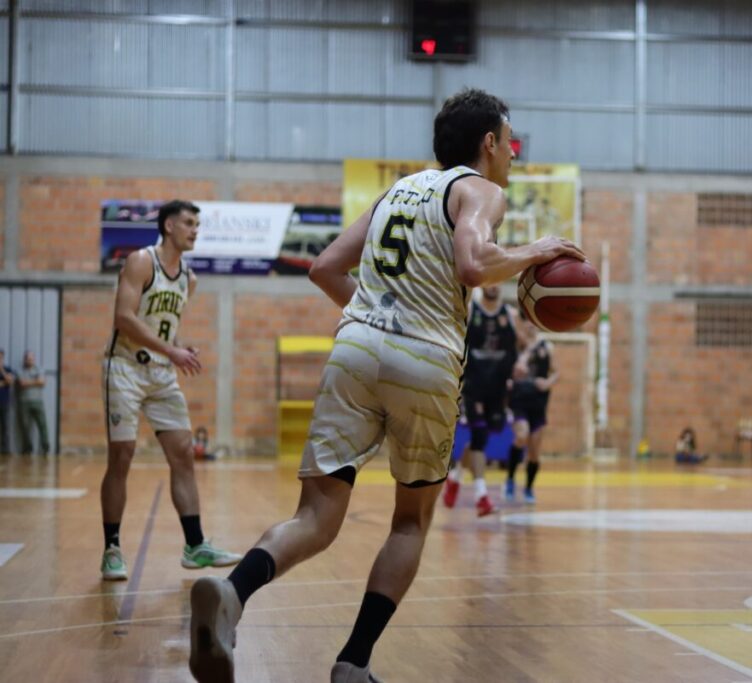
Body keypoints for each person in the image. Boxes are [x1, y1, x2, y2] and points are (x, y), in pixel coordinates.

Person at [187, 88, 584, 683]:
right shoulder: (482, 190)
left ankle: (234, 592)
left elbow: (324, 268)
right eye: (511, 141)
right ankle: (354, 662)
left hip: (355, 348)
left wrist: (376, 319)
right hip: (426, 361)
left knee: (317, 516)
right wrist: (536, 252)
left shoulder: (397, 191)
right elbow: (474, 265)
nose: (513, 155)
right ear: (490, 143)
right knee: (409, 522)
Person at [100, 200, 241, 582]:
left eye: (198, 224)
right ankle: (112, 547)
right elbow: (124, 319)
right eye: (188, 223)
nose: (195, 230)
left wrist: (179, 347)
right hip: (125, 368)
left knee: (183, 454)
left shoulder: (189, 279)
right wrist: (172, 350)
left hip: (161, 373)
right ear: (167, 226)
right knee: (122, 456)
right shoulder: (141, 262)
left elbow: (162, 325)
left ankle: (194, 546)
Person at [442, 284, 519, 517]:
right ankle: (481, 497)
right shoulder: (470, 310)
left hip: (498, 388)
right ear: (482, 284)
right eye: (489, 281)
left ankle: (455, 478)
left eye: (498, 282)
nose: (494, 285)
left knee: (480, 440)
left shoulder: (511, 315)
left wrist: (521, 365)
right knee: (480, 435)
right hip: (473, 386)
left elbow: (522, 345)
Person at [505, 318, 558, 503]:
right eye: (527, 321)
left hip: (538, 402)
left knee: (534, 451)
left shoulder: (547, 347)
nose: (530, 325)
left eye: (534, 321)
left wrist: (548, 382)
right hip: (519, 400)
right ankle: (510, 479)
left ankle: (528, 488)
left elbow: (555, 372)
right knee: (522, 436)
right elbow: (507, 369)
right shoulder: (516, 347)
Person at [17, 350, 49, 455]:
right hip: (24, 403)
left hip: (38, 402)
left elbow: (42, 382)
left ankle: (45, 447)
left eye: (31, 359)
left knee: (42, 425)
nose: (29, 361)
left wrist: (29, 382)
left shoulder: (39, 369)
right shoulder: (20, 370)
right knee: (25, 426)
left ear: (34, 359)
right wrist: (35, 381)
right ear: (25, 360)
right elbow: (22, 383)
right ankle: (28, 448)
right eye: (28, 359)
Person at [0, 350, 15, 454]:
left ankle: (5, 450)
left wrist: (1, 370)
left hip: (4, 402)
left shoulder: (7, 369)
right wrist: (3, 383)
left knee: (5, 427)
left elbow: (9, 381)